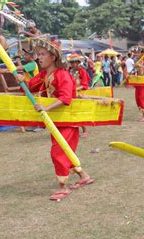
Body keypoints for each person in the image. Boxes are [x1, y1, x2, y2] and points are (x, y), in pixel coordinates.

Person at [15, 36, 93, 200]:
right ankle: (84, 177)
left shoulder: (62, 75)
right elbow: (29, 87)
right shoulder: (44, 74)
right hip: (55, 121)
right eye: (39, 54)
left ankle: (63, 187)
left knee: (58, 152)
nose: (39, 57)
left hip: (68, 120)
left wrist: (46, 107)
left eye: (43, 54)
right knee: (65, 151)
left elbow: (65, 98)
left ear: (53, 57)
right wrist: (22, 81)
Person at [68, 53, 91, 138]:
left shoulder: (82, 72)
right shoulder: (68, 71)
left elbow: (85, 85)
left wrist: (75, 89)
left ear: (78, 63)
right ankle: (73, 130)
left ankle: (84, 130)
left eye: (75, 62)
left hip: (79, 94)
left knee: (78, 113)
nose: (73, 64)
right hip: (70, 94)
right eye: (72, 62)